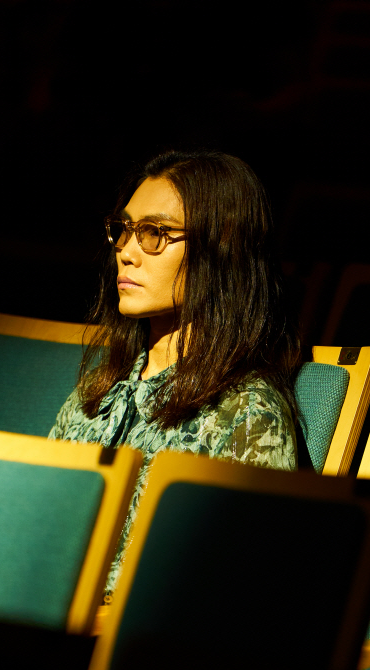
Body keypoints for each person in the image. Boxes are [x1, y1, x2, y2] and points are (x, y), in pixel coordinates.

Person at [50, 147, 302, 597]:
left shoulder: (247, 414)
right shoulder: (98, 391)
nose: (127, 251)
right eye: (124, 230)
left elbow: (244, 590)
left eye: (154, 233)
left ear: (219, 248)